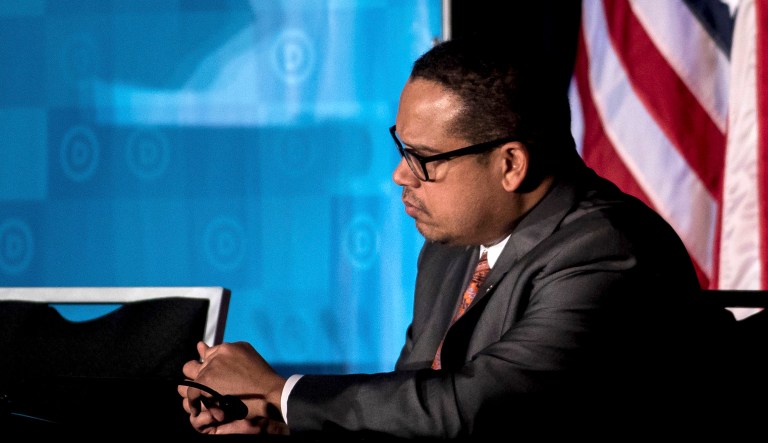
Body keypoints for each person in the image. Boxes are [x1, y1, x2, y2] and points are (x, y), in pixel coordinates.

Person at [178, 36, 735, 439]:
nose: (400, 174)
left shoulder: (609, 253)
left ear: (510, 164)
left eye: (422, 159)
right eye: (402, 148)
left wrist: (282, 390)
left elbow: (477, 410)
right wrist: (274, 422)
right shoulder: (451, 247)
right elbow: (413, 412)